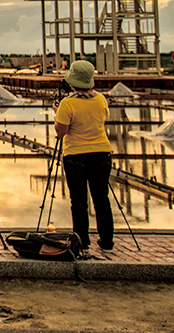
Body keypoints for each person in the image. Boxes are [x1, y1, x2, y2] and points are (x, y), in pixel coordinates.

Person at [55, 60, 114, 255]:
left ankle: (82, 241)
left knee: (79, 201)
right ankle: (107, 241)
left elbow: (61, 131)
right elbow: (100, 120)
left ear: (72, 82)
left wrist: (57, 115)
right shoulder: (101, 100)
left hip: (76, 156)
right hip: (102, 154)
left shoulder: (67, 104)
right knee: (101, 199)